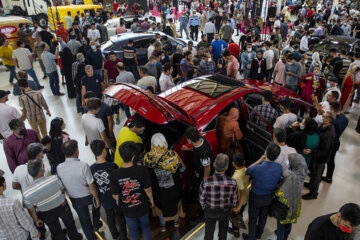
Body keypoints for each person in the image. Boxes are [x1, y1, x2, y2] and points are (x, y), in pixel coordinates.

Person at [23, 159, 82, 240]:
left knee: (55, 230)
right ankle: (75, 237)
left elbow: (31, 210)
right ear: (41, 170)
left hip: (45, 213)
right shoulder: (54, 178)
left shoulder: (26, 193)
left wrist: (36, 220)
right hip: (62, 206)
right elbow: (62, 190)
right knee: (70, 224)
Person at [57, 140, 101, 240]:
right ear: (76, 151)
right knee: (96, 206)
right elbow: (91, 185)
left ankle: (91, 237)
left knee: (84, 220)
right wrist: (97, 199)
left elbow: (61, 188)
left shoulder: (59, 168)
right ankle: (96, 222)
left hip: (75, 198)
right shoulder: (83, 165)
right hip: (88, 196)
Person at [110, 141, 154, 240]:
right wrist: (151, 200)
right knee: (146, 227)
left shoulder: (114, 174)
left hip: (127, 209)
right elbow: (148, 189)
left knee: (133, 230)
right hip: (142, 206)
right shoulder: (141, 169)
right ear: (134, 156)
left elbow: (115, 195)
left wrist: (120, 200)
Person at [143, 133, 186, 232]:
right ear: (165, 142)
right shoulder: (173, 156)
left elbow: (147, 176)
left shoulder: (147, 158)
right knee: (174, 205)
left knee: (161, 207)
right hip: (174, 189)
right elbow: (183, 170)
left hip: (158, 191)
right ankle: (176, 222)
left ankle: (163, 226)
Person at [243, 142, 283, 240]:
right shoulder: (279, 167)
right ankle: (259, 233)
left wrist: (260, 160)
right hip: (269, 196)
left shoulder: (258, 168)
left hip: (256, 197)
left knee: (253, 218)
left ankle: (251, 237)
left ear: (266, 153)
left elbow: (247, 170)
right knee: (263, 216)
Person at [199, 153, 239, 240]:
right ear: (227, 167)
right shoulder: (233, 182)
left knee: (208, 234)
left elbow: (202, 200)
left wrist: (205, 208)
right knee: (223, 233)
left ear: (213, 164)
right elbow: (234, 201)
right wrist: (231, 208)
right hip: (225, 211)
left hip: (210, 211)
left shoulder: (205, 182)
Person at [90, 140, 123, 240]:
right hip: (116, 195)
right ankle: (123, 235)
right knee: (120, 215)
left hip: (103, 196)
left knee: (110, 216)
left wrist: (97, 198)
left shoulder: (91, 168)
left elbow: (93, 185)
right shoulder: (112, 166)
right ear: (104, 151)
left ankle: (114, 235)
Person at [302, 112, 335, 200]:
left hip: (320, 158)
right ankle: (311, 184)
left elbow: (324, 150)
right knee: (313, 172)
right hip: (317, 155)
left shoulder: (328, 134)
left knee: (316, 175)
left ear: (328, 120)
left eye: (324, 116)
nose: (322, 117)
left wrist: (311, 151)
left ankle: (313, 193)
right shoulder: (324, 126)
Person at [275, 153, 307, 240]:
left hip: (285, 207)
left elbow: (280, 193)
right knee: (289, 223)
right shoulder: (301, 173)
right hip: (294, 205)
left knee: (281, 225)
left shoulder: (290, 177)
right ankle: (285, 237)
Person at [0, 175, 40, 240]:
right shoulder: (12, 202)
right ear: (1, 187)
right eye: (4, 182)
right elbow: (24, 220)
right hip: (20, 236)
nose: (5, 183)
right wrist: (34, 232)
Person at [322, 101, 349, 183]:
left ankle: (324, 176)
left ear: (333, 109)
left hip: (331, 142)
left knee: (325, 159)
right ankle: (329, 177)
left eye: (330, 108)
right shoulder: (345, 119)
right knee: (331, 160)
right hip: (336, 142)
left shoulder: (334, 121)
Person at [228, 153, 250, 237]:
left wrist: (238, 207)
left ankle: (236, 231)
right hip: (244, 200)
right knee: (239, 214)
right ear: (244, 161)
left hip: (238, 201)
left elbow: (242, 193)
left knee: (235, 216)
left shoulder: (237, 176)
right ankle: (236, 229)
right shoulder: (245, 169)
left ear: (233, 163)